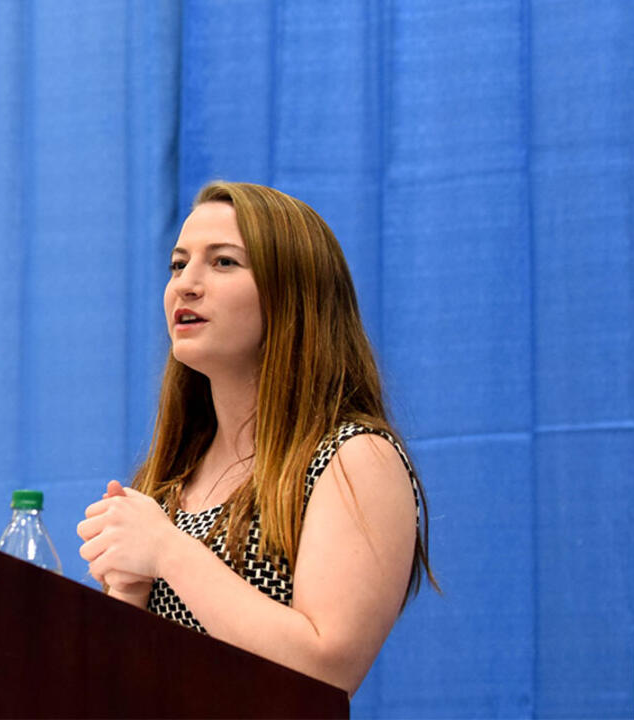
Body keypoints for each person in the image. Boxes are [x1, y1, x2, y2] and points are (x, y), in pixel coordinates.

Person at [76, 181, 436, 696]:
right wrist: (127, 593)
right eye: (178, 264)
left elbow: (325, 672)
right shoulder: (172, 478)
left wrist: (167, 552)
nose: (186, 285)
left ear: (294, 293)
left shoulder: (355, 457)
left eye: (223, 262)